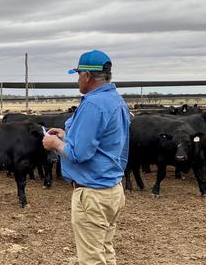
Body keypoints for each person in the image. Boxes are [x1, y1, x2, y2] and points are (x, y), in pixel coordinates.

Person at [42, 49, 130, 265]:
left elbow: (79, 154)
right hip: (112, 190)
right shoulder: (115, 100)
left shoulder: (92, 104)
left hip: (93, 194)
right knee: (105, 250)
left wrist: (54, 143)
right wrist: (67, 136)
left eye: (79, 74)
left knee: (91, 259)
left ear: (87, 76)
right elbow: (103, 142)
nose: (78, 79)